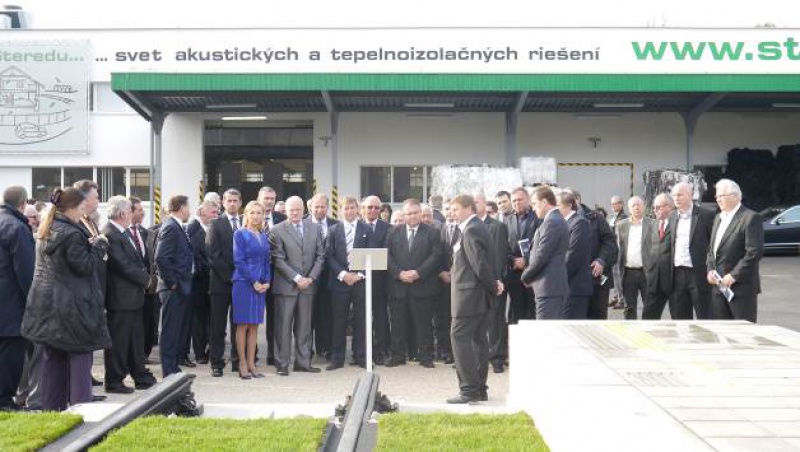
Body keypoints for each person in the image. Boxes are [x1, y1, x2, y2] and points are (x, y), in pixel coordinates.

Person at [21, 188, 111, 411]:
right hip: (73, 309)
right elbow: (84, 267)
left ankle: (53, 413)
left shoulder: (47, 228)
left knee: (53, 363)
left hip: (46, 308)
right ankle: (82, 414)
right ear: (71, 208)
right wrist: (99, 246)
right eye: (81, 208)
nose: (83, 213)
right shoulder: (72, 234)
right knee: (80, 363)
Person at [447, 194, 503, 404]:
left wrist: (493, 285)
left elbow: (479, 264)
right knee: (478, 341)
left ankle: (469, 390)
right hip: (477, 296)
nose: (452, 213)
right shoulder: (477, 227)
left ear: (469, 208)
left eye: (456, 209)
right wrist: (494, 284)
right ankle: (479, 389)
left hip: (468, 296)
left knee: (459, 337)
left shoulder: (471, 229)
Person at [101, 196, 156, 394]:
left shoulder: (121, 232)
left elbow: (135, 261)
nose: (132, 214)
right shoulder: (110, 233)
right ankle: (114, 380)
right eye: (130, 211)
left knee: (135, 340)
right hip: (120, 298)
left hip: (132, 298)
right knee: (119, 341)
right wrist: (146, 280)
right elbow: (122, 265)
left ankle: (140, 376)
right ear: (123, 213)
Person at [269, 197, 325, 375]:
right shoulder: (277, 230)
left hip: (308, 286)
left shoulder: (315, 228)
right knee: (283, 327)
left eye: (298, 210)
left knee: (305, 327)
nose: (295, 213)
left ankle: (303, 362)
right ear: (285, 211)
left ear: (304, 210)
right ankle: (282, 364)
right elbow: (278, 259)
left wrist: (310, 278)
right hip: (286, 286)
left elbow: (320, 256)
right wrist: (297, 278)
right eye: (291, 210)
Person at [385, 199, 443, 368]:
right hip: (398, 286)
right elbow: (386, 255)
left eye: (415, 213)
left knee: (424, 324)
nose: (412, 216)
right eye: (409, 213)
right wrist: (398, 273)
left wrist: (418, 273)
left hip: (423, 286)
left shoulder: (432, 232)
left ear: (420, 213)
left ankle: (426, 356)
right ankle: (397, 356)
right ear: (404, 215)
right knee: (397, 324)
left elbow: (435, 255)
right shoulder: (393, 232)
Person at [706, 179, 764, 323]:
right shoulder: (718, 218)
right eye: (717, 196)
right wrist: (710, 270)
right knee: (721, 331)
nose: (718, 199)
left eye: (721, 195)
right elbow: (711, 249)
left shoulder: (750, 218)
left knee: (743, 331)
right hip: (719, 288)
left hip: (741, 289)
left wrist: (734, 275)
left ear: (736, 196)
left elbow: (754, 252)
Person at [325, 196, 371, 370]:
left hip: (360, 281)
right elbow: (329, 256)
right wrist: (343, 274)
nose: (349, 211)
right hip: (340, 282)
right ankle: (337, 358)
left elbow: (372, 254)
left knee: (361, 319)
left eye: (352, 207)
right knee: (339, 320)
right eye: (346, 208)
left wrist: (359, 274)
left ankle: (360, 356)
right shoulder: (333, 230)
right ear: (340, 210)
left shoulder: (367, 229)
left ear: (358, 209)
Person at [0, 186, 35, 411]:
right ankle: (4, 400)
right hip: (12, 303)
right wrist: (33, 300)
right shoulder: (17, 228)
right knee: (11, 354)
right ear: (23, 204)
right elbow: (25, 271)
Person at [563, 188, 618, 320]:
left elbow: (610, 242)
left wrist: (601, 260)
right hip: (573, 281)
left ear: (577, 200)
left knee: (597, 318)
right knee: (575, 319)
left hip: (596, 278)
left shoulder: (595, 217)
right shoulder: (562, 220)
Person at [155, 195, 194, 377]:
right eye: (188, 207)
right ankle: (168, 370)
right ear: (181, 208)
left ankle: (173, 367)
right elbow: (161, 257)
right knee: (170, 330)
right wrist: (172, 283)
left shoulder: (177, 226)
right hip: (173, 289)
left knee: (176, 329)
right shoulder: (171, 227)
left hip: (180, 287)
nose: (189, 210)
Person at [232, 201, 272, 378]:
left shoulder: (263, 235)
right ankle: (242, 363)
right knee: (243, 324)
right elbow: (238, 261)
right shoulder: (240, 234)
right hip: (243, 283)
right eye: (252, 213)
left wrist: (267, 281)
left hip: (260, 285)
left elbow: (266, 261)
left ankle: (251, 364)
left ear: (263, 215)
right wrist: (254, 281)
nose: (256, 216)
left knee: (255, 325)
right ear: (246, 215)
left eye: (259, 213)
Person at [73, 179, 105, 389]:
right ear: (84, 198)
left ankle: (86, 375)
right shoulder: (77, 223)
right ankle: (81, 382)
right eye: (96, 196)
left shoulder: (89, 220)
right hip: (81, 290)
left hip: (94, 285)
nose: (98, 200)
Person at [206, 189, 242, 377]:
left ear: (240, 202)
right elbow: (212, 254)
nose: (232, 204)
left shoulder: (245, 222)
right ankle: (217, 363)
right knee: (218, 326)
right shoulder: (216, 224)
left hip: (242, 284)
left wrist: (242, 276)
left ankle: (237, 361)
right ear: (223, 203)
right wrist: (231, 276)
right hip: (221, 283)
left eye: (235, 200)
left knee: (238, 324)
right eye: (229, 201)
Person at [521, 186, 570, 320]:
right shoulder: (553, 220)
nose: (533, 208)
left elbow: (542, 255)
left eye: (534, 204)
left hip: (549, 288)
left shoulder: (552, 222)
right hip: (549, 287)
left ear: (544, 202)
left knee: (545, 329)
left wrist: (526, 276)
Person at [475, 193, 509, 373]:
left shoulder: (497, 226)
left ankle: (497, 358)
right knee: (477, 322)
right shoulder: (467, 226)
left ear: (484, 203)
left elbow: (500, 257)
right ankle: (478, 358)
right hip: (474, 284)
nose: (473, 205)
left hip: (493, 282)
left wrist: (496, 281)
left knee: (495, 321)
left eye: (476, 202)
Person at [670, 182, 715, 320]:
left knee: (705, 316)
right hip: (677, 274)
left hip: (699, 274)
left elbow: (713, 245)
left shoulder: (706, 215)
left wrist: (712, 268)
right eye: (674, 195)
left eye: (680, 195)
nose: (676, 198)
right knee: (680, 319)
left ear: (690, 195)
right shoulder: (671, 216)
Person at [305, 193, 339, 360]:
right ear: (310, 207)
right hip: (308, 278)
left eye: (323, 207)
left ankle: (325, 348)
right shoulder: (302, 224)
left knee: (327, 314)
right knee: (307, 316)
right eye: (316, 206)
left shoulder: (336, 225)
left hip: (330, 278)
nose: (319, 210)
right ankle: (306, 350)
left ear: (328, 207)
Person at [257, 186, 286, 366]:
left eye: (272, 199)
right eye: (266, 198)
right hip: (255, 276)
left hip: (277, 275)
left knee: (275, 318)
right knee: (252, 317)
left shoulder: (282, 219)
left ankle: (273, 355)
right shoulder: (250, 217)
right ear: (259, 199)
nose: (269, 202)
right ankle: (251, 354)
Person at [185, 201, 217, 366]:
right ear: (202, 213)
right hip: (199, 283)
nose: (216, 215)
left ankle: (211, 350)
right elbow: (196, 256)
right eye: (213, 212)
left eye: (217, 212)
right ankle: (199, 353)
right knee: (199, 320)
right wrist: (211, 267)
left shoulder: (214, 229)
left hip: (214, 282)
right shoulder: (193, 230)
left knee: (212, 319)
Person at [362, 195, 391, 365]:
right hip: (360, 280)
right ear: (363, 208)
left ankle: (380, 351)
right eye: (369, 207)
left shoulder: (388, 228)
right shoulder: (357, 226)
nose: (373, 210)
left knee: (380, 318)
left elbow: (389, 253)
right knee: (361, 318)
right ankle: (362, 352)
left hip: (381, 281)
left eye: (376, 208)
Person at [615, 196, 654, 321]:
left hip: (646, 272)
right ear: (629, 208)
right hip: (628, 273)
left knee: (650, 306)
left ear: (644, 207)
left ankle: (649, 330)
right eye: (633, 205)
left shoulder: (652, 224)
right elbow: (618, 248)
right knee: (629, 308)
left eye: (639, 204)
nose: (636, 207)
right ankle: (631, 330)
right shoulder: (621, 225)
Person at [556, 191, 593, 320]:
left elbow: (573, 256)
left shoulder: (579, 223)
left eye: (558, 205)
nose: (555, 209)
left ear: (569, 205)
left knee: (572, 325)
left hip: (575, 287)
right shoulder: (564, 223)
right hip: (566, 286)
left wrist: (557, 277)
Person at [504, 187, 538, 322]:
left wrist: (526, 260)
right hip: (514, 273)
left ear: (528, 200)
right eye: (514, 201)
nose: (517, 203)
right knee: (517, 313)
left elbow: (541, 244)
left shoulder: (537, 217)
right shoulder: (507, 220)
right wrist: (513, 260)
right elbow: (503, 246)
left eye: (520, 199)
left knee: (533, 312)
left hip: (533, 271)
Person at [642, 193, 674, 320]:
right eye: (654, 207)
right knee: (648, 318)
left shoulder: (677, 224)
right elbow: (647, 249)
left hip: (673, 281)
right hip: (654, 281)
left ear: (669, 207)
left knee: (679, 319)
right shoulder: (653, 225)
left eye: (658, 207)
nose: (655, 210)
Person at [607, 195, 628, 309]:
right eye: (612, 204)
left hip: (619, 249)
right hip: (612, 249)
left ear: (621, 204)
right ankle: (616, 297)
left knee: (619, 274)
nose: (613, 206)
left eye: (615, 203)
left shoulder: (624, 218)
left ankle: (622, 299)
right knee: (614, 274)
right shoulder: (613, 217)